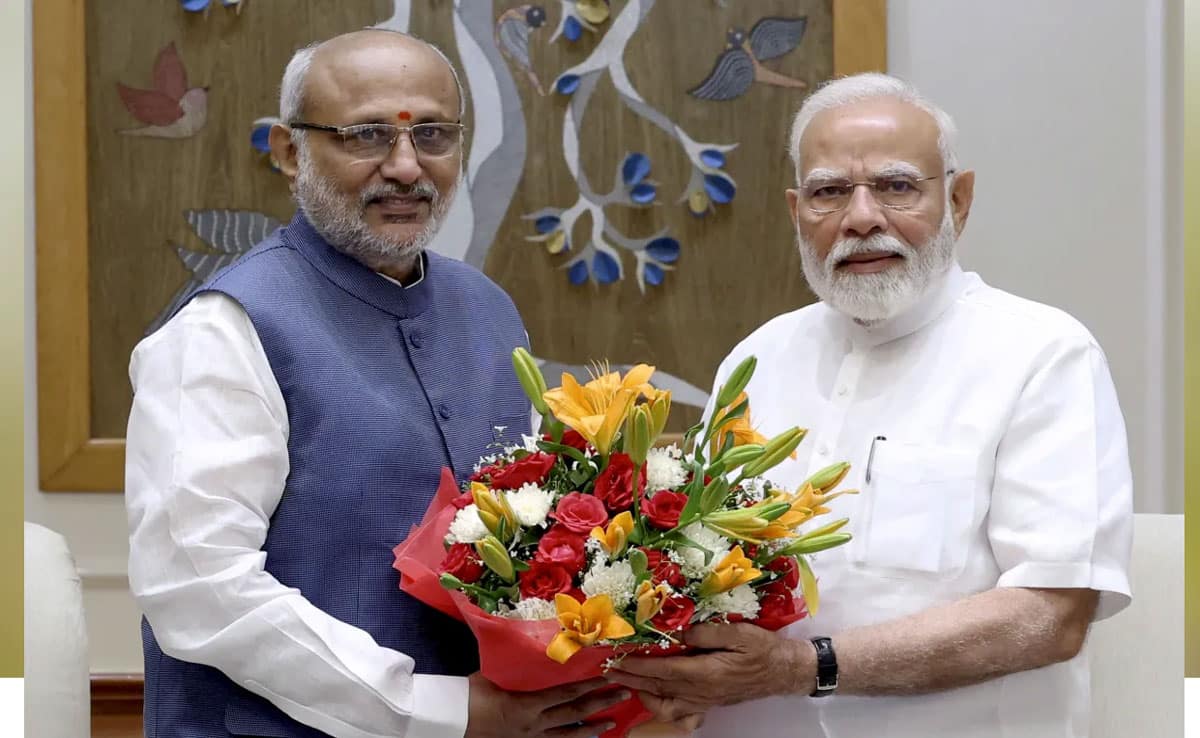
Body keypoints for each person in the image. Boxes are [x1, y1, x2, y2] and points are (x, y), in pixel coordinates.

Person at [125, 29, 630, 738]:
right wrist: (440, 710)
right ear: (289, 152)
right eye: (366, 136)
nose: (405, 166)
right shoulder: (222, 329)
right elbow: (198, 586)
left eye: (433, 134)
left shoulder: (486, 310)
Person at [607, 73, 1133, 738]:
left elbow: (1051, 615)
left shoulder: (1044, 355)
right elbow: (697, 569)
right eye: (829, 192)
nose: (861, 217)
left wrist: (804, 668)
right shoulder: (758, 357)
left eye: (896, 186)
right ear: (797, 211)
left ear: (959, 200)